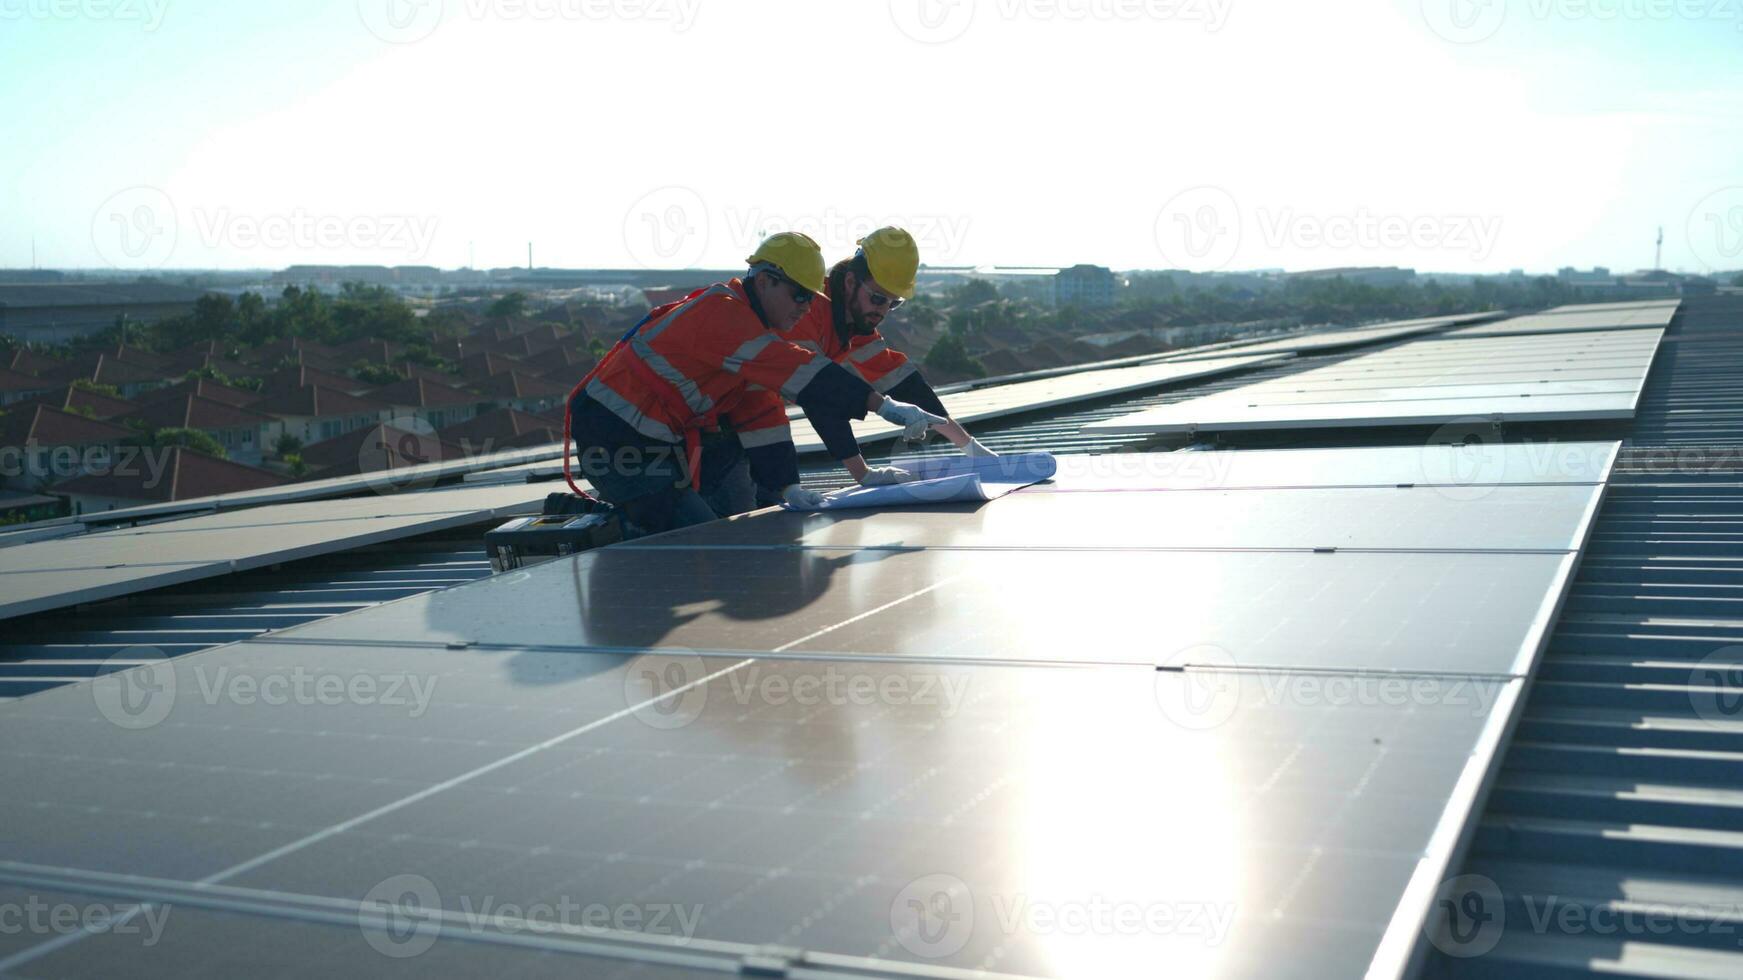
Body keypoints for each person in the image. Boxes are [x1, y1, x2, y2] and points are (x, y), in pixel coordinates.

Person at [564, 231, 947, 536]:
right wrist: (883, 405)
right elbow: (803, 371)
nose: (804, 307)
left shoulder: (753, 340)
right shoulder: (724, 315)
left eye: (810, 298)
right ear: (764, 282)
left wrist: (786, 487)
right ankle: (618, 526)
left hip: (668, 440)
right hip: (616, 438)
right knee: (696, 537)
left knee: (742, 520)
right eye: (798, 295)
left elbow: (762, 413)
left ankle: (643, 514)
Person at [790, 226, 996, 460]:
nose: (883, 310)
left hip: (757, 425)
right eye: (878, 298)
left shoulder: (853, 327)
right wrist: (862, 473)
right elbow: (817, 391)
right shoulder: (807, 310)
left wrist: (971, 448)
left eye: (893, 302)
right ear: (850, 282)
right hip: (746, 422)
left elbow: (904, 384)